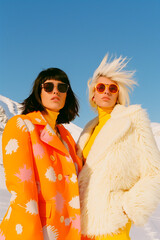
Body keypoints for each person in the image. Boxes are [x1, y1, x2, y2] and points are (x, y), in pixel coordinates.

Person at [77, 54, 160, 240]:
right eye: (101, 87)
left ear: (118, 94)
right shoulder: (87, 129)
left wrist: (128, 206)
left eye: (112, 88)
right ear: (93, 94)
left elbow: (155, 171)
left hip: (112, 224)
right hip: (82, 225)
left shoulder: (133, 119)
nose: (106, 91)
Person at [0, 68, 82, 240]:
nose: (55, 91)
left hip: (68, 230)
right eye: (48, 86)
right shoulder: (21, 125)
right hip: (39, 231)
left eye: (62, 87)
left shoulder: (67, 136)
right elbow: (22, 194)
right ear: (39, 91)